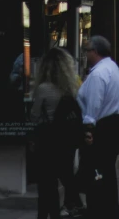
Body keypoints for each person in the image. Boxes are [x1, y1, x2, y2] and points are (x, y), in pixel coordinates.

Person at [31, 47, 84, 219]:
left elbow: (35, 116)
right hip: (67, 141)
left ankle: (47, 215)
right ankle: (73, 205)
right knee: (67, 177)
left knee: (47, 184)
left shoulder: (43, 89)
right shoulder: (72, 88)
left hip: (47, 142)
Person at [78, 36, 119, 219]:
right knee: (106, 172)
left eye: (87, 51)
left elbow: (93, 104)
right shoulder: (114, 69)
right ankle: (107, 211)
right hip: (112, 126)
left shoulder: (99, 74)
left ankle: (98, 211)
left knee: (97, 172)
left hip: (101, 127)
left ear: (96, 52)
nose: (85, 54)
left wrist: (88, 130)